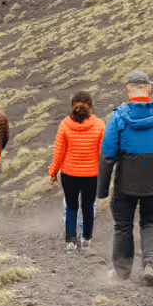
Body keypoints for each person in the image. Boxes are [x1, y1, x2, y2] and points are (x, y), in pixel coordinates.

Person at [97, 70, 153, 284]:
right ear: (149, 89)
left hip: (126, 184)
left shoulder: (118, 117)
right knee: (150, 223)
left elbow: (107, 157)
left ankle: (122, 271)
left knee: (123, 224)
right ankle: (150, 266)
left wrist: (102, 190)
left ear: (128, 90)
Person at [48, 90, 104, 254]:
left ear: (72, 105)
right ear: (91, 106)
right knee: (88, 207)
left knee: (71, 206)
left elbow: (59, 152)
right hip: (92, 175)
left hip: (69, 174)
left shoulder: (65, 124)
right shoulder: (100, 125)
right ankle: (86, 239)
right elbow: (103, 154)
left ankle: (70, 241)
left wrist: (53, 173)